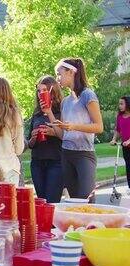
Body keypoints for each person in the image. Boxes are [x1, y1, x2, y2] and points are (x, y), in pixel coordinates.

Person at [46, 58, 103, 201]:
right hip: (66, 154)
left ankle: (92, 224)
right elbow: (62, 136)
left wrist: (73, 126)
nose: (57, 78)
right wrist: (49, 113)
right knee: (75, 200)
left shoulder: (87, 95)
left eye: (59, 73)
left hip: (84, 154)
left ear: (71, 72)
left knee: (87, 199)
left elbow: (99, 127)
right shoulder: (65, 102)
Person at [27, 76, 64, 203]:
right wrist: (33, 137)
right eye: (38, 91)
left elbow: (65, 137)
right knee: (41, 201)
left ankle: (53, 224)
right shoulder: (36, 113)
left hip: (56, 161)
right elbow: (30, 144)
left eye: (44, 90)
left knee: (52, 202)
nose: (40, 94)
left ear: (52, 91)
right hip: (37, 162)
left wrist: (52, 132)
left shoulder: (61, 110)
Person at [110, 96, 130, 190]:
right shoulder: (120, 117)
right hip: (125, 147)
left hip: (128, 143)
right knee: (128, 167)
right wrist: (114, 139)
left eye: (122, 103)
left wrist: (129, 141)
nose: (120, 106)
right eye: (119, 104)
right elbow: (118, 130)